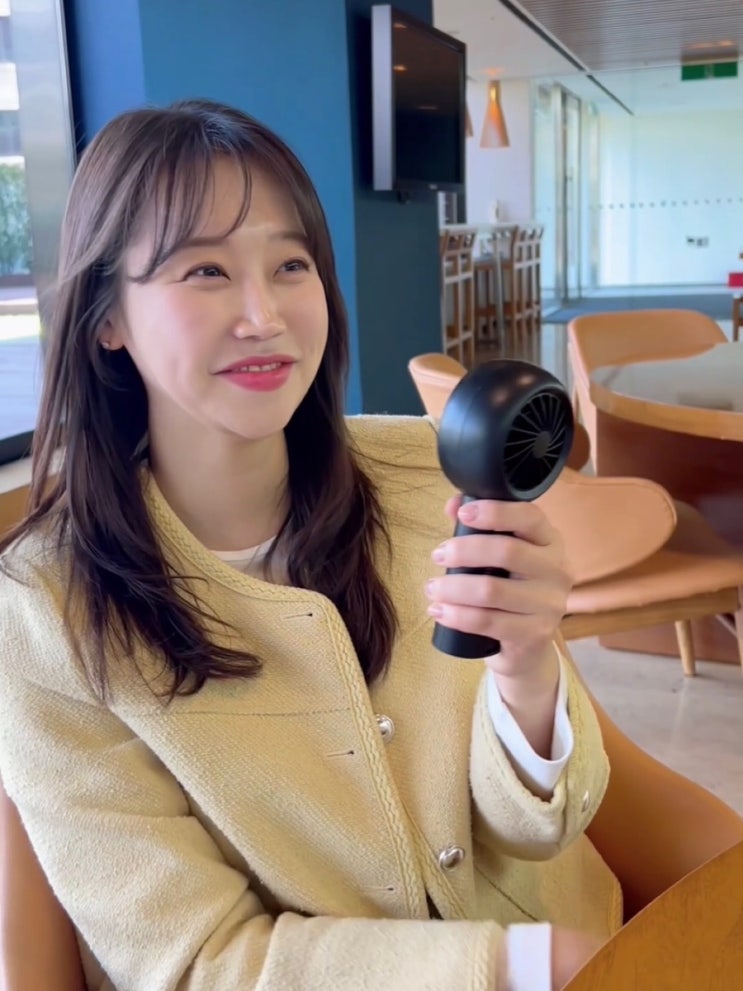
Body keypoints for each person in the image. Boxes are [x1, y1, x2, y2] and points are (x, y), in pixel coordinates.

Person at [0, 99, 620, 991]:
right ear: (108, 318)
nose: (263, 314)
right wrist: (515, 965)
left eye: (290, 264)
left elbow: (537, 829)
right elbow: (195, 961)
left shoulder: (431, 475)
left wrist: (525, 668)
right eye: (205, 271)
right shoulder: (43, 612)